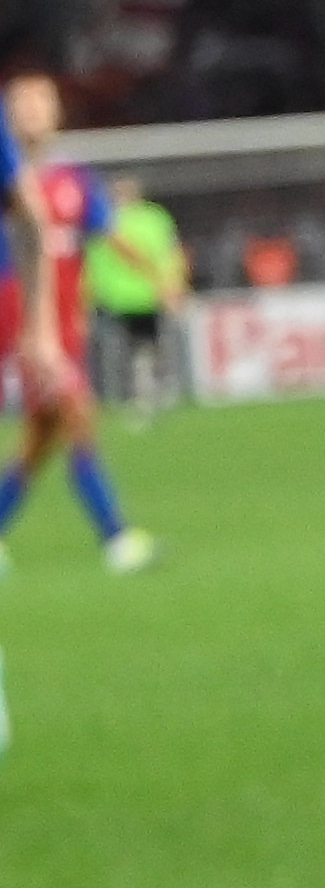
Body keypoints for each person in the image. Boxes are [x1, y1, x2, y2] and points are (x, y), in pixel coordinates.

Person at [0, 71, 155, 574]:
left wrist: (160, 277)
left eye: (42, 103)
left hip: (56, 332)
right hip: (17, 327)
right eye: (22, 104)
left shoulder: (73, 181)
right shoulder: (12, 183)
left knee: (40, 443)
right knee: (78, 419)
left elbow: (108, 234)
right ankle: (116, 536)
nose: (32, 112)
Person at [84, 173, 188, 422]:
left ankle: (154, 394)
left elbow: (170, 253)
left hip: (146, 296)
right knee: (117, 353)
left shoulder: (153, 218)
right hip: (113, 298)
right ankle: (125, 398)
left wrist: (174, 285)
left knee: (149, 349)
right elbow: (91, 261)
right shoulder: (103, 218)